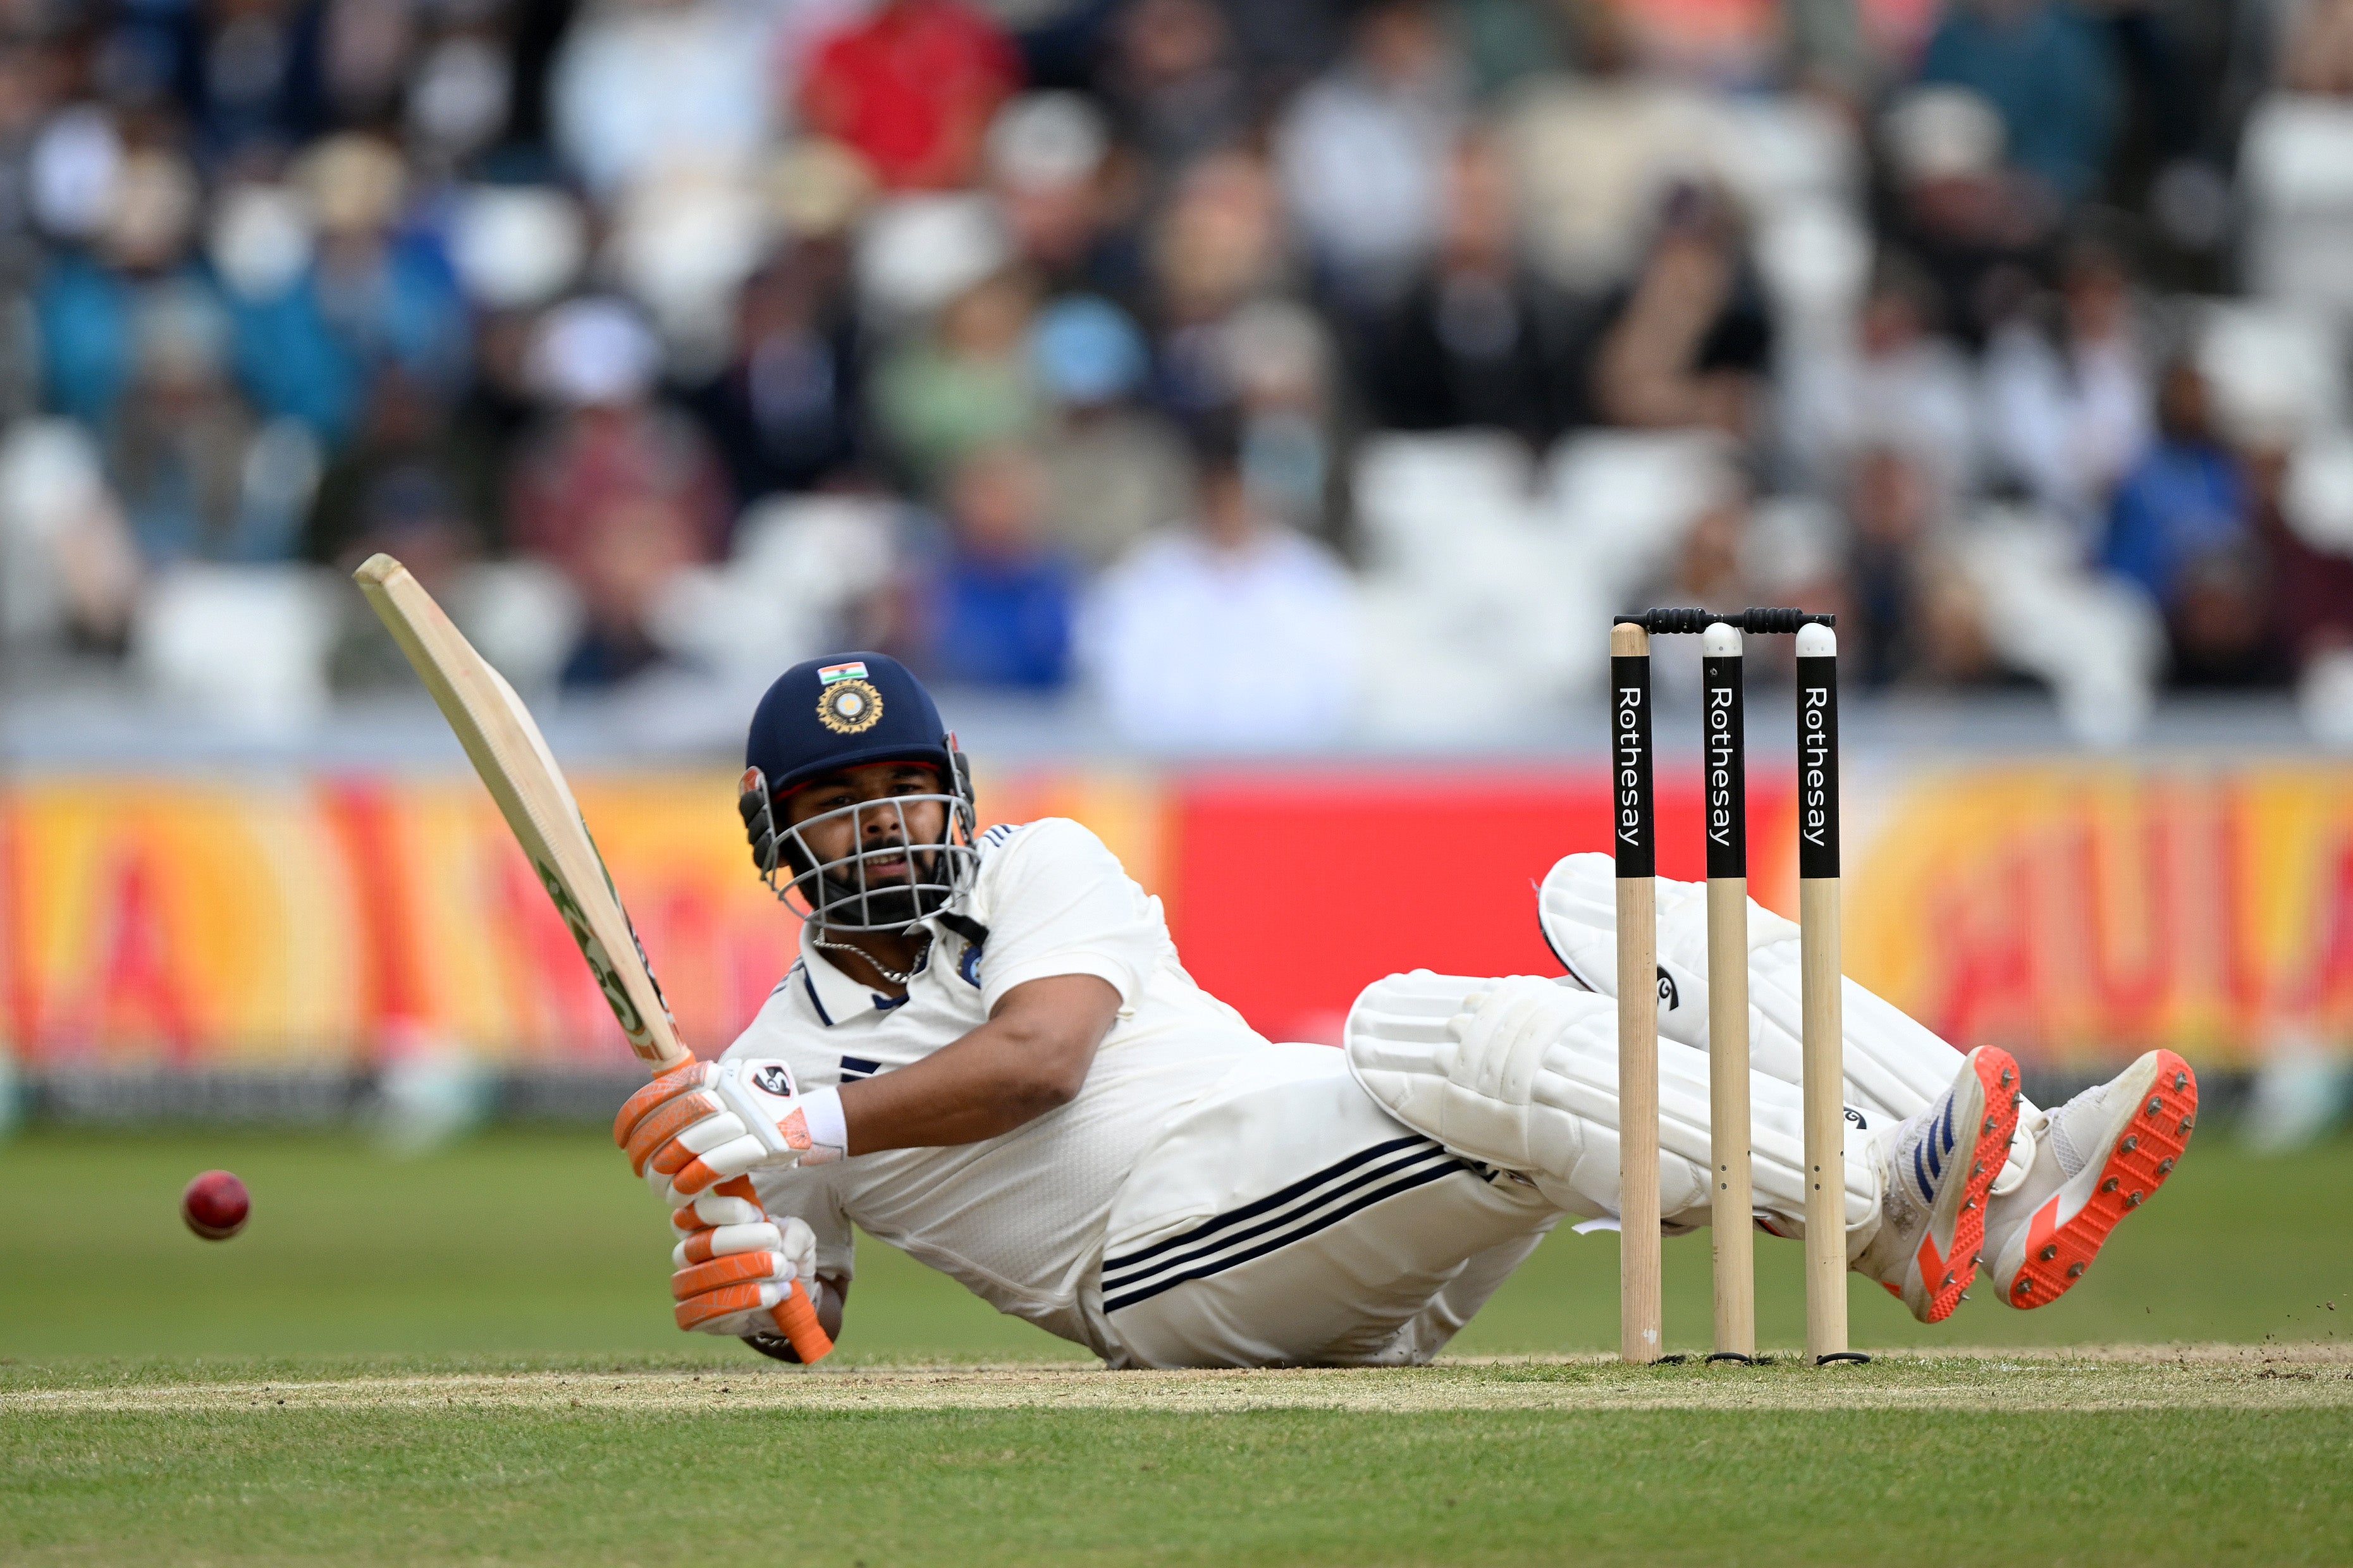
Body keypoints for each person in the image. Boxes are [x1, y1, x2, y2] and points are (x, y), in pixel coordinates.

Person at [613, 653, 2201, 1366]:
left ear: (960, 791)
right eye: (841, 800)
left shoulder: (1047, 864)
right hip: (1164, 1279)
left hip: (1293, 1172)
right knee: (1437, 1030)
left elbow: (1044, 1056)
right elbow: (797, 1316)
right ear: (774, 831)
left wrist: (802, 1121)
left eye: (906, 788)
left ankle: (1999, 1181)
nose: (885, 822)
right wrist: (747, 1264)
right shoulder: (759, 1070)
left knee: (1605, 909)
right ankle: (1884, 1212)